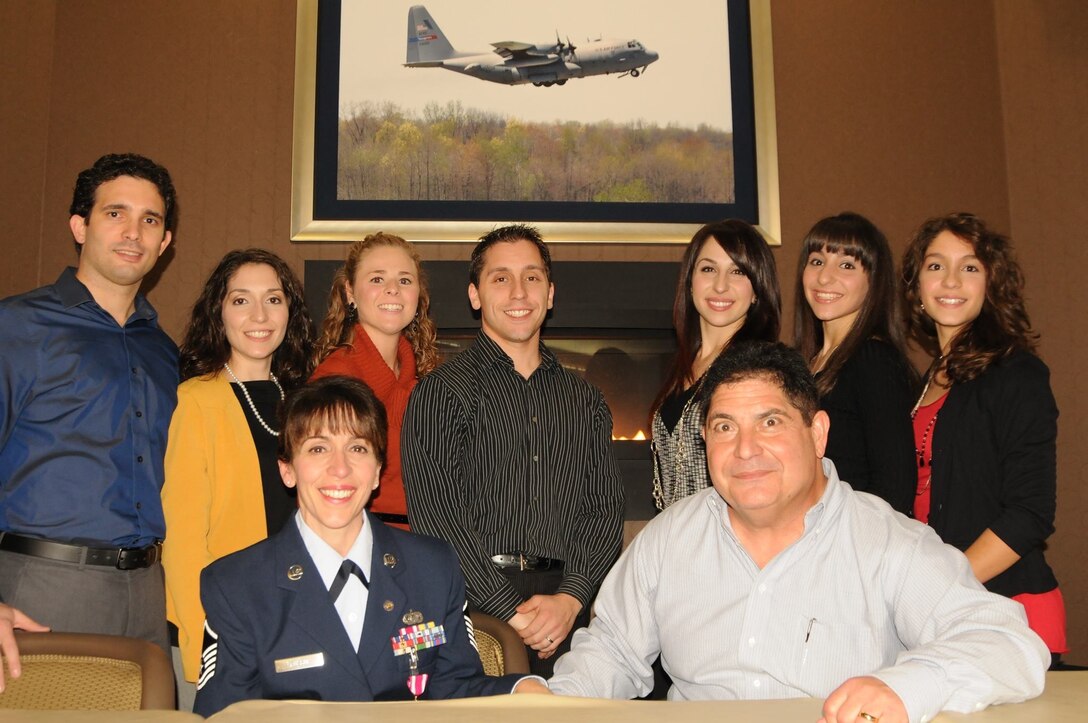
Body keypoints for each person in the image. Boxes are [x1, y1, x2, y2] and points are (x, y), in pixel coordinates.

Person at [548, 341, 1049, 723]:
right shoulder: (666, 540)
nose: (745, 449)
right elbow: (611, 650)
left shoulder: (888, 542)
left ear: (816, 434)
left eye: (770, 422)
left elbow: (1009, 643)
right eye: (725, 427)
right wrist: (550, 702)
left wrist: (909, 686)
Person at [193, 376, 536, 715]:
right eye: (317, 448)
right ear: (287, 470)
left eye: (357, 448)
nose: (340, 469)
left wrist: (520, 688)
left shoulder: (432, 567)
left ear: (376, 472)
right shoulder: (236, 585)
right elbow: (225, 713)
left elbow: (454, 687)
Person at [402, 224, 625, 678]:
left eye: (532, 277)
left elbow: (604, 510)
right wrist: (513, 612)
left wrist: (571, 598)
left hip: (569, 606)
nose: (518, 291)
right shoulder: (441, 393)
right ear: (475, 295)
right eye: (500, 278)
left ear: (550, 293)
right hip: (475, 607)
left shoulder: (584, 400)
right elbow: (437, 517)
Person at [0, 154, 178, 672]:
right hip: (42, 588)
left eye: (150, 220)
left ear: (164, 242)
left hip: (148, 594)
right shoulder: (16, 327)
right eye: (114, 213)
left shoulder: (166, 353)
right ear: (79, 226)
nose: (133, 232)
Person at [902, 213, 1067, 664]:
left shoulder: (1017, 374)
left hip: (1009, 611)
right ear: (916, 287)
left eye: (970, 267)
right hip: (943, 616)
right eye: (935, 266)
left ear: (990, 283)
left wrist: (944, 585)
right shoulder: (925, 381)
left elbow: (1030, 513)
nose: (951, 279)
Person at [161, 249, 314, 705]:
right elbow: (184, 539)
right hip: (227, 626)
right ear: (219, 312)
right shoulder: (195, 400)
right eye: (241, 300)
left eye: (273, 299)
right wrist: (204, 641)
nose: (260, 315)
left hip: (300, 617)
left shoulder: (304, 401)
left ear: (291, 311)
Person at [650, 220, 780, 511]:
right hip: (679, 540)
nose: (720, 285)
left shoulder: (757, 369)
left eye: (737, 271)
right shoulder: (685, 363)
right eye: (708, 269)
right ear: (690, 281)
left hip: (730, 541)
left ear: (757, 288)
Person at [311, 233, 438, 529]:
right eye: (377, 279)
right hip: (362, 542)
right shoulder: (334, 380)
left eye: (405, 280)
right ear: (350, 291)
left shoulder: (426, 381)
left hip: (426, 545)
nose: (393, 290)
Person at [793, 212, 917, 514]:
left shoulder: (874, 361)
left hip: (854, 546)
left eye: (847, 265)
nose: (824, 277)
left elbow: (895, 487)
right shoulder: (806, 364)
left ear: (874, 282)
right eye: (817, 261)